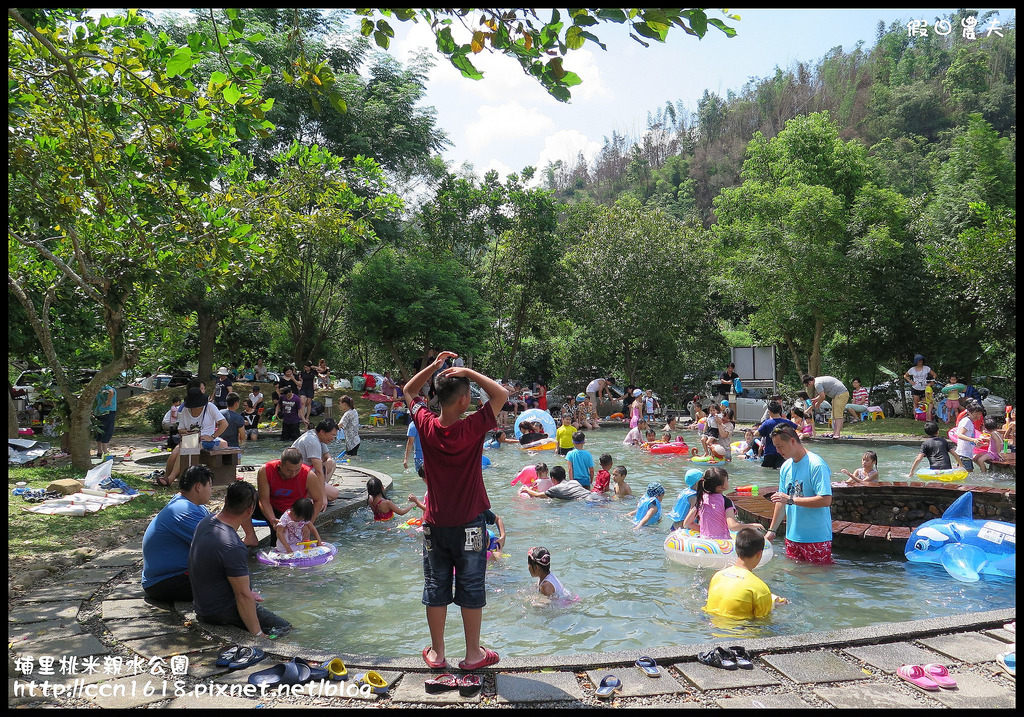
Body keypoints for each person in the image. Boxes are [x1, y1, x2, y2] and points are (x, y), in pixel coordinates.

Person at [403, 349, 507, 672]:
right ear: (464, 401)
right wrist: (467, 373)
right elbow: (501, 394)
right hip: (471, 524)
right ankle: (473, 654)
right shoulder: (472, 428)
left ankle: (437, 654)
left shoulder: (426, 425)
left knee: (435, 584)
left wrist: (435, 368)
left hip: (435, 522)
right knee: (471, 584)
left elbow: (408, 391)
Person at [188, 481, 291, 637]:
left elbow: (212, 568)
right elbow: (242, 596)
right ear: (250, 510)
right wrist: (258, 634)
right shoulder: (233, 545)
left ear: (226, 501)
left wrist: (247, 591)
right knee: (285, 629)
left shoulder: (205, 522)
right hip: (221, 612)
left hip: (203, 605)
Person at [141, 465, 213, 602]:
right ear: (198, 487)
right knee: (227, 585)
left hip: (169, 577)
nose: (211, 491)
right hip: (164, 582)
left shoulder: (192, 505)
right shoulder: (184, 510)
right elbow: (215, 544)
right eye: (210, 486)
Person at [765, 425, 834, 564]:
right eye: (775, 447)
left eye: (780, 446)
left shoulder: (816, 465)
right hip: (792, 537)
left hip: (816, 538)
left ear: (792, 441)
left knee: (818, 579)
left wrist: (791, 500)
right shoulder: (786, 466)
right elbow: (781, 501)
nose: (777, 451)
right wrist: (772, 530)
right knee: (793, 578)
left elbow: (826, 500)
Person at [704, 527, 787, 620]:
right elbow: (763, 621)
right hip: (741, 632)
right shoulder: (760, 589)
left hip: (712, 628)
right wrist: (773, 605)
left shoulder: (717, 576)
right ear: (759, 553)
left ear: (736, 549)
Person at [162, 386, 229, 488]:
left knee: (187, 447)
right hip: (189, 439)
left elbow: (224, 423)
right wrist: (188, 432)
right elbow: (180, 429)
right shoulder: (185, 410)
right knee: (178, 450)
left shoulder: (210, 407)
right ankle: (169, 476)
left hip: (204, 441)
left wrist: (212, 436)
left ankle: (171, 478)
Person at [255, 447, 326, 530]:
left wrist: (308, 523)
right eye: (289, 470)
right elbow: (264, 500)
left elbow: (318, 500)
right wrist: (272, 519)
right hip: (272, 507)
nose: (293, 474)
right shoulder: (266, 470)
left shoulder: (309, 475)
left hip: (293, 512)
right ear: (280, 465)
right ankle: (251, 536)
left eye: (297, 470)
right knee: (245, 496)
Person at [683, 468, 762, 539]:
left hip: (705, 541)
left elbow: (686, 524)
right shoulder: (726, 502)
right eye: (727, 480)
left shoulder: (701, 500)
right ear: (720, 487)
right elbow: (733, 527)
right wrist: (752, 526)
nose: (728, 482)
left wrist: (705, 530)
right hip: (723, 543)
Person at [292, 418, 341, 509]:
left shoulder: (318, 437)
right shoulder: (312, 441)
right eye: (332, 435)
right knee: (334, 494)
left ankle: (315, 491)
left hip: (308, 473)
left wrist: (329, 460)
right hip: (297, 477)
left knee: (332, 463)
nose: (333, 439)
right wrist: (322, 497)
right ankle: (311, 494)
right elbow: (318, 471)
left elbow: (327, 455)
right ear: (322, 432)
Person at [801, 374, 850, 439]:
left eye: (808, 385)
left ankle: (837, 433)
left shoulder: (817, 383)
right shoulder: (818, 380)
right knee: (835, 415)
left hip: (841, 394)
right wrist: (816, 399)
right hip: (837, 395)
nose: (809, 386)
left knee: (838, 414)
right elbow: (824, 393)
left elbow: (823, 396)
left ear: (810, 382)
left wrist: (818, 404)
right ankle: (835, 432)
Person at [756, 401, 798, 470]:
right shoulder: (786, 422)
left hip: (769, 453)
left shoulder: (767, 423)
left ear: (769, 412)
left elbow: (756, 433)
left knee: (766, 472)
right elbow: (799, 427)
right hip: (783, 453)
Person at [519, 465, 590, 500]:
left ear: (553, 479)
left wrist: (527, 489)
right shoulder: (574, 482)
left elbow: (537, 495)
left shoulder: (556, 489)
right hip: (592, 496)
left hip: (587, 501)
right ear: (565, 475)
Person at [955, 405, 985, 474]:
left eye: (979, 413)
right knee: (968, 475)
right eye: (976, 413)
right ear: (969, 412)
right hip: (963, 454)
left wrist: (976, 443)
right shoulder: (966, 421)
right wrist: (973, 440)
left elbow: (968, 436)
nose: (978, 415)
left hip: (966, 454)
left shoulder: (969, 421)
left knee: (965, 475)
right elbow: (960, 435)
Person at [93, 382, 117, 459]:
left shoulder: (96, 388)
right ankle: (105, 452)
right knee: (107, 430)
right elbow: (111, 391)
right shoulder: (106, 386)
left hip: (98, 412)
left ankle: (99, 451)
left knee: (99, 431)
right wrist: (109, 401)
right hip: (108, 411)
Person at [298, 361, 316, 426]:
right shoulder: (302, 373)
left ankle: (307, 417)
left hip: (310, 389)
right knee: (302, 402)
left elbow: (322, 370)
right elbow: (300, 378)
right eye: (305, 367)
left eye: (307, 367)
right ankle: (302, 417)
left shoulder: (313, 372)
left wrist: (314, 367)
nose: (306, 368)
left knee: (308, 403)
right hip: (303, 388)